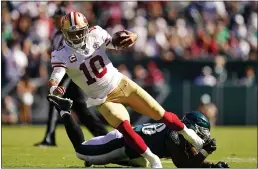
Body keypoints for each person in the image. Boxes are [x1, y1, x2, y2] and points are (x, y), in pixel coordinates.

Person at [48, 11, 204, 167]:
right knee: (125, 128)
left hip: (123, 85)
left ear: (86, 29)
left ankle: (191, 136)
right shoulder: (61, 54)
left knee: (160, 114)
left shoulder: (96, 33)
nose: (76, 37)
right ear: (64, 33)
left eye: (79, 32)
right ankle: (153, 159)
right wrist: (55, 88)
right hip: (103, 99)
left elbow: (116, 43)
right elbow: (55, 77)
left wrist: (133, 37)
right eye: (72, 34)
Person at [47, 95, 230, 168]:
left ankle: (106, 159)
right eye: (200, 133)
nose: (201, 137)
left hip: (136, 150)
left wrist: (213, 166)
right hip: (123, 142)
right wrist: (206, 152)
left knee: (142, 163)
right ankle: (64, 110)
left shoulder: (180, 135)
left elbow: (192, 160)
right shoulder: (174, 135)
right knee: (81, 151)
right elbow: (184, 165)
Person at [35, 8, 108, 147]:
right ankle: (104, 135)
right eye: (54, 19)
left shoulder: (71, 33)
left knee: (55, 101)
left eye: (57, 18)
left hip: (71, 74)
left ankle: (49, 138)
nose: (55, 21)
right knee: (81, 110)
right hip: (63, 73)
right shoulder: (56, 35)